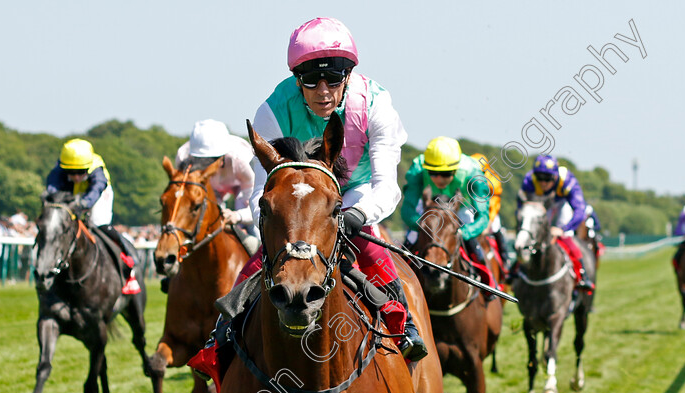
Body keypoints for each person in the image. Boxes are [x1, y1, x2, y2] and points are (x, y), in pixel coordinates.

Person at [198, 17, 425, 366]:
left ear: (347, 76)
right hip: (296, 204)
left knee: (368, 244)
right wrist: (281, 225)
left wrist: (356, 216)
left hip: (356, 194)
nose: (323, 90)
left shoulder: (376, 106)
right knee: (262, 261)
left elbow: (387, 188)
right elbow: (261, 192)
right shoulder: (271, 111)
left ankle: (405, 323)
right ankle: (221, 335)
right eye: (310, 80)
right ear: (296, 79)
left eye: (333, 78)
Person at [45, 138, 140, 294]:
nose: (76, 177)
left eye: (81, 172)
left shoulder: (97, 170)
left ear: (88, 167)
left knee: (98, 223)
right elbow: (52, 188)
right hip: (73, 194)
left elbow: (96, 190)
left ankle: (129, 261)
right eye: (71, 172)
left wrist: (83, 204)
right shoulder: (60, 168)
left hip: (98, 194)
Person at [401, 138, 492, 273]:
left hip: (461, 208)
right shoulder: (418, 169)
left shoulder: (473, 173)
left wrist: (464, 233)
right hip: (428, 210)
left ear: (456, 170)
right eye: (432, 173)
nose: (439, 179)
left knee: (475, 248)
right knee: (407, 246)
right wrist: (424, 226)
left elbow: (483, 217)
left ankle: (488, 284)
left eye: (445, 174)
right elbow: (407, 211)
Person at [515, 154, 595, 290]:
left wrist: (563, 229)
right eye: (539, 177)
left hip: (562, 204)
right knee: (528, 236)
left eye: (547, 178)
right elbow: (521, 205)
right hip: (539, 206)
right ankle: (514, 270)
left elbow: (580, 210)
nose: (543, 182)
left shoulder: (568, 181)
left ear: (555, 177)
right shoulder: (529, 180)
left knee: (565, 235)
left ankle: (582, 274)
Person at [472, 152, 511, 272]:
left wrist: (487, 223)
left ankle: (505, 260)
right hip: (472, 209)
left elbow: (494, 204)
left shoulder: (493, 180)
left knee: (495, 227)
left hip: (489, 211)